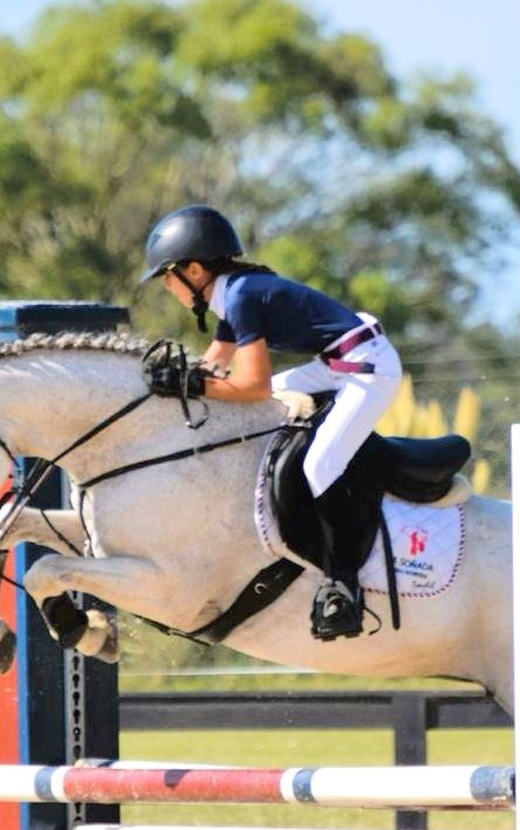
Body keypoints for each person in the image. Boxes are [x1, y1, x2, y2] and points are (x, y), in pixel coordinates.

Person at [139, 204, 403, 640]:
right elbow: (214, 366)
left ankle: (342, 582)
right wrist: (178, 386)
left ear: (195, 270)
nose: (167, 287)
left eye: (168, 277)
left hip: (367, 370)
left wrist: (193, 387)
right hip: (340, 362)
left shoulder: (241, 297)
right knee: (274, 399)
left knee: (319, 466)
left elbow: (253, 388)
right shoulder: (233, 294)